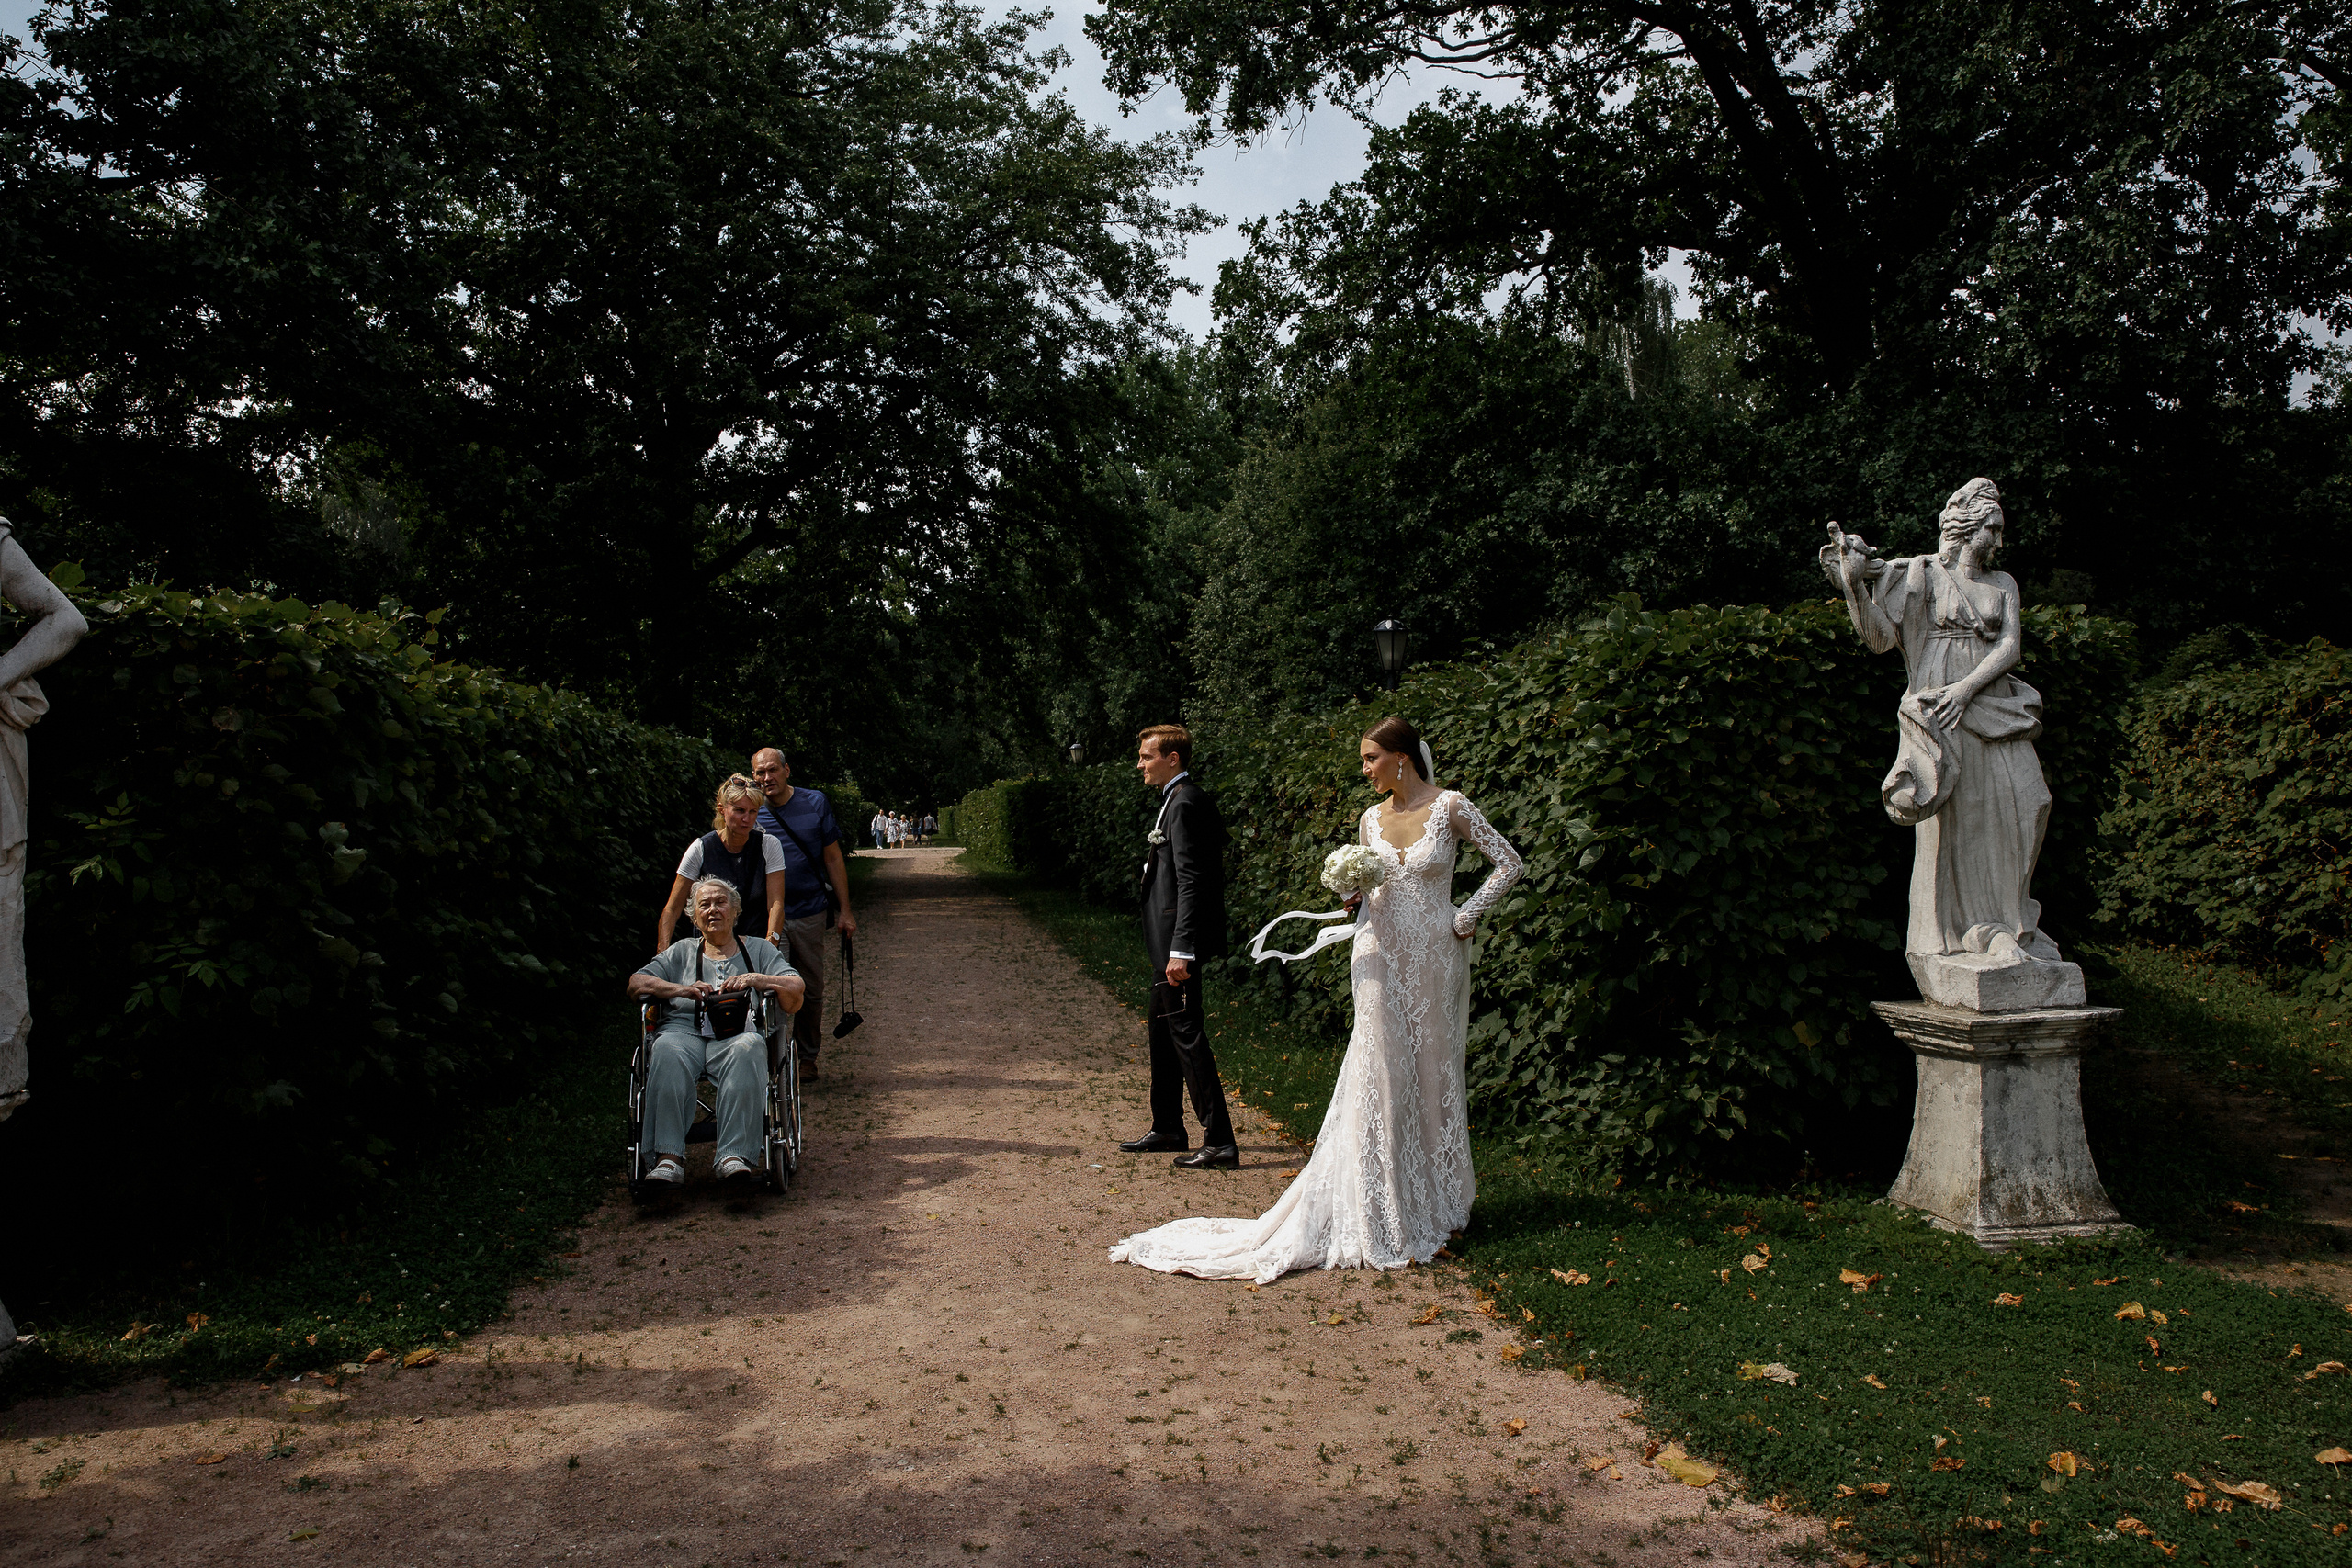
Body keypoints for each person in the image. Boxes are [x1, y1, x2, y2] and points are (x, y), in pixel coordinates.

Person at [1110, 716, 1524, 1280]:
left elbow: (1509, 862)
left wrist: (1466, 915)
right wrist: (1352, 892)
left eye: (1370, 759)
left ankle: (1443, 1201)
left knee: (1434, 1069)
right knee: (1377, 1069)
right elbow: (1367, 892)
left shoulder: (1451, 806)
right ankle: (1379, 1204)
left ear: (1401, 757)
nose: (1365, 769)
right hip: (1376, 955)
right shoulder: (1369, 819)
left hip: (1433, 956)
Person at [1821, 479, 2063, 972]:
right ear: (1967, 527)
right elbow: (1880, 639)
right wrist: (1854, 584)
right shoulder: (1922, 575)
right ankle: (1969, 935)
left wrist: (1967, 688)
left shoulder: (2004, 584)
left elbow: (2010, 647)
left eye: (1999, 528)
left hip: (1986, 699)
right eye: (1992, 528)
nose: (1998, 539)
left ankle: (2014, 922)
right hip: (1937, 707)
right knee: (1960, 818)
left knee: (2029, 802)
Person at [628, 876, 803, 1189]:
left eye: (720, 903)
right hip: (683, 1033)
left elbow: (796, 988)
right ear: (694, 918)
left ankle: (733, 1156)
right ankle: (668, 1158)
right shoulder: (681, 952)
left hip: (737, 1034)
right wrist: (679, 989)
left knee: (750, 1047)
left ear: (735, 912)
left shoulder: (759, 950)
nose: (713, 910)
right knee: (665, 1048)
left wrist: (757, 979)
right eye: (704, 905)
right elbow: (636, 983)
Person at [1116, 724, 1237, 1170]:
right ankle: (1167, 1126)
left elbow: (1193, 881)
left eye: (1148, 757)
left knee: (1186, 1035)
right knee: (1162, 1035)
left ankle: (1220, 1140)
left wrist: (1182, 948)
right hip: (1163, 945)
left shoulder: (1185, 801)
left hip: (1175, 947)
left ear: (1173, 758)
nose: (1141, 764)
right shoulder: (1176, 798)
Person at [749, 748, 855, 1082]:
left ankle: (806, 1057)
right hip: (767, 916)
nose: (767, 778)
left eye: (773, 770)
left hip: (810, 911)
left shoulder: (814, 803)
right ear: (754, 777)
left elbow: (833, 858)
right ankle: (776, 1059)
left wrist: (845, 911)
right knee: (772, 989)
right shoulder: (750, 808)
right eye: (760, 773)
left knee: (811, 987)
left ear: (787, 770)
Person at [656, 777, 785, 952]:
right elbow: (672, 908)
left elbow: (775, 903)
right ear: (722, 810)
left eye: (753, 811)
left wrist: (771, 945)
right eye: (739, 811)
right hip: (710, 949)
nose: (746, 819)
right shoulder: (700, 848)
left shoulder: (769, 845)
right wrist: (663, 952)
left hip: (755, 945)